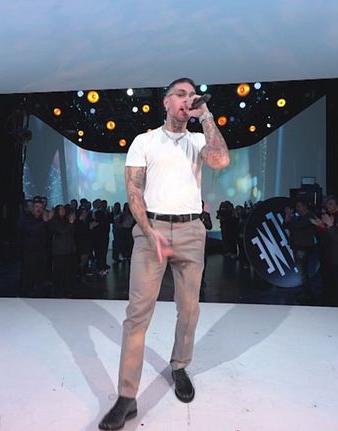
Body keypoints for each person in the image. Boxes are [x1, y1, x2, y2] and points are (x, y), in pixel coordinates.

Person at [99, 77, 230, 430]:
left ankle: (180, 366)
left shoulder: (198, 140)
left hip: (191, 231)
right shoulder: (144, 141)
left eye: (192, 95)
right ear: (166, 102)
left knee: (189, 308)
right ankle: (127, 397)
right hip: (151, 230)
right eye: (181, 94)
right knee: (137, 314)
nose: (188, 99)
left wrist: (206, 115)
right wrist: (148, 229)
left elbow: (220, 160)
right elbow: (134, 191)